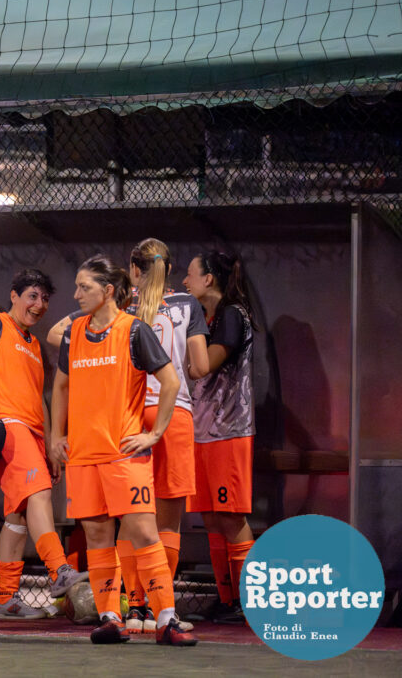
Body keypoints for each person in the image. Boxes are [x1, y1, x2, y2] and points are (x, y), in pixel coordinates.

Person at [49, 254, 196, 647]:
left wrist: (155, 433)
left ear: (108, 291)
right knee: (97, 537)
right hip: (82, 454)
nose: (77, 294)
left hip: (123, 453)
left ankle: (166, 617)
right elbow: (61, 387)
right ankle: (111, 617)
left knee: (144, 532)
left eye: (85, 287)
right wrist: (55, 436)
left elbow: (169, 381)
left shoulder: (134, 330)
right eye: (78, 286)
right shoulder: (74, 332)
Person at [0, 268, 87, 621]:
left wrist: (52, 443)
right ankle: (59, 571)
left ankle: (4, 600)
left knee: (17, 517)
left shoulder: (35, 345)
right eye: (32, 296)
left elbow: (40, 398)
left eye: (45, 298)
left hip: (33, 430)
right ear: (14, 295)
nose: (39, 305)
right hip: (4, 424)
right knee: (39, 496)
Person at [182, 250, 255, 625]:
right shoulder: (209, 316)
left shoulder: (231, 314)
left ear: (209, 279)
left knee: (230, 517)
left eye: (190, 274)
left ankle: (248, 600)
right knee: (210, 517)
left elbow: (203, 366)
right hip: (203, 431)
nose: (184, 281)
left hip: (229, 431)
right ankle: (227, 599)